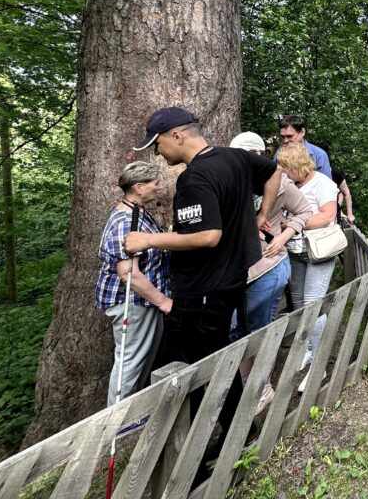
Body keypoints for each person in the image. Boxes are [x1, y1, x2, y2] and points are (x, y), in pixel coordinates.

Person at [126, 107, 280, 473]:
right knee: (219, 359)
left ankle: (204, 451)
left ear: (178, 135)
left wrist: (147, 240)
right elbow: (274, 174)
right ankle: (239, 436)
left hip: (203, 291)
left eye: (158, 144)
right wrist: (262, 215)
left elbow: (209, 236)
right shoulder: (237, 158)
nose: (158, 153)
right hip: (230, 281)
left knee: (194, 370)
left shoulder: (195, 179)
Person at [227, 132, 312, 408]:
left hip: (267, 265)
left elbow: (304, 211)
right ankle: (244, 387)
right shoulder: (227, 180)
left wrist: (282, 237)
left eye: (245, 153)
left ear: (257, 154)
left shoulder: (281, 182)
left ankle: (261, 389)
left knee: (258, 330)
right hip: (234, 270)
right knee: (234, 331)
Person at [95, 161, 171, 406]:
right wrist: (163, 301)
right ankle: (116, 426)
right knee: (130, 363)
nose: (159, 188)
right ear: (139, 187)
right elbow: (129, 273)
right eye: (155, 183)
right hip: (133, 303)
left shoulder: (137, 212)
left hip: (143, 302)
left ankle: (132, 418)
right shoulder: (125, 221)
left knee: (142, 361)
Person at [276, 143, 341, 392]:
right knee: (302, 304)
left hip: (318, 252)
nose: (281, 172)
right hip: (295, 252)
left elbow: (327, 215)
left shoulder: (322, 183)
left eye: (284, 167)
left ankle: (320, 364)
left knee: (314, 303)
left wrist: (294, 224)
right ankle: (310, 349)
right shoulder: (289, 184)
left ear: (296, 166)